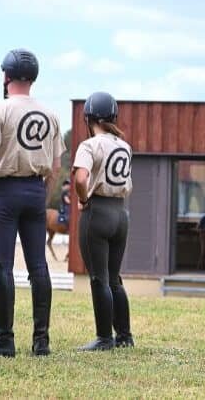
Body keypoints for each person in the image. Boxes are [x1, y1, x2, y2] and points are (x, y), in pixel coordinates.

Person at [0, 48, 64, 357]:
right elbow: (55, 167)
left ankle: (5, 339)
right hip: (36, 190)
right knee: (39, 265)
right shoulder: (50, 115)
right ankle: (41, 341)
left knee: (3, 266)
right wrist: (44, 196)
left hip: (5, 190)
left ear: (5, 76)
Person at [72, 91, 134, 350]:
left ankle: (104, 338)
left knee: (99, 278)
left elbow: (80, 178)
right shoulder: (124, 146)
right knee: (114, 278)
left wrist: (83, 200)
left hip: (97, 212)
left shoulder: (89, 145)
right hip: (120, 213)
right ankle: (124, 336)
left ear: (88, 118)